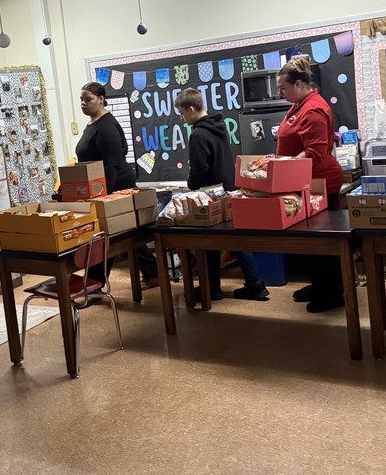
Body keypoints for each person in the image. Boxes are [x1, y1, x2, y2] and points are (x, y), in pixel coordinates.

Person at [176, 88, 269, 302]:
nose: (182, 118)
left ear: (191, 109)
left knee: (208, 242)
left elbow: (199, 168)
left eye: (182, 113)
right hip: (229, 189)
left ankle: (213, 288)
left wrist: (191, 185)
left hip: (211, 193)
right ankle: (254, 285)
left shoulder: (198, 134)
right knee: (236, 240)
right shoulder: (219, 126)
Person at [274, 57, 345, 313]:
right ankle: (319, 284)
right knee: (312, 240)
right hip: (305, 183)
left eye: (283, 88)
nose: (280, 94)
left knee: (324, 242)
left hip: (320, 184)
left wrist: (284, 165)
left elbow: (315, 153)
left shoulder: (313, 109)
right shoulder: (299, 105)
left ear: (299, 84)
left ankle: (333, 292)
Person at [75, 82, 158, 285]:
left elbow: (112, 164)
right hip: (104, 186)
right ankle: (153, 272)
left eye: (88, 99)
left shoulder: (106, 126)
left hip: (115, 187)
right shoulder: (94, 123)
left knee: (108, 235)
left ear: (101, 100)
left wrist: (105, 196)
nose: (84, 103)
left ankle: (94, 282)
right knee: (124, 236)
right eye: (81, 100)